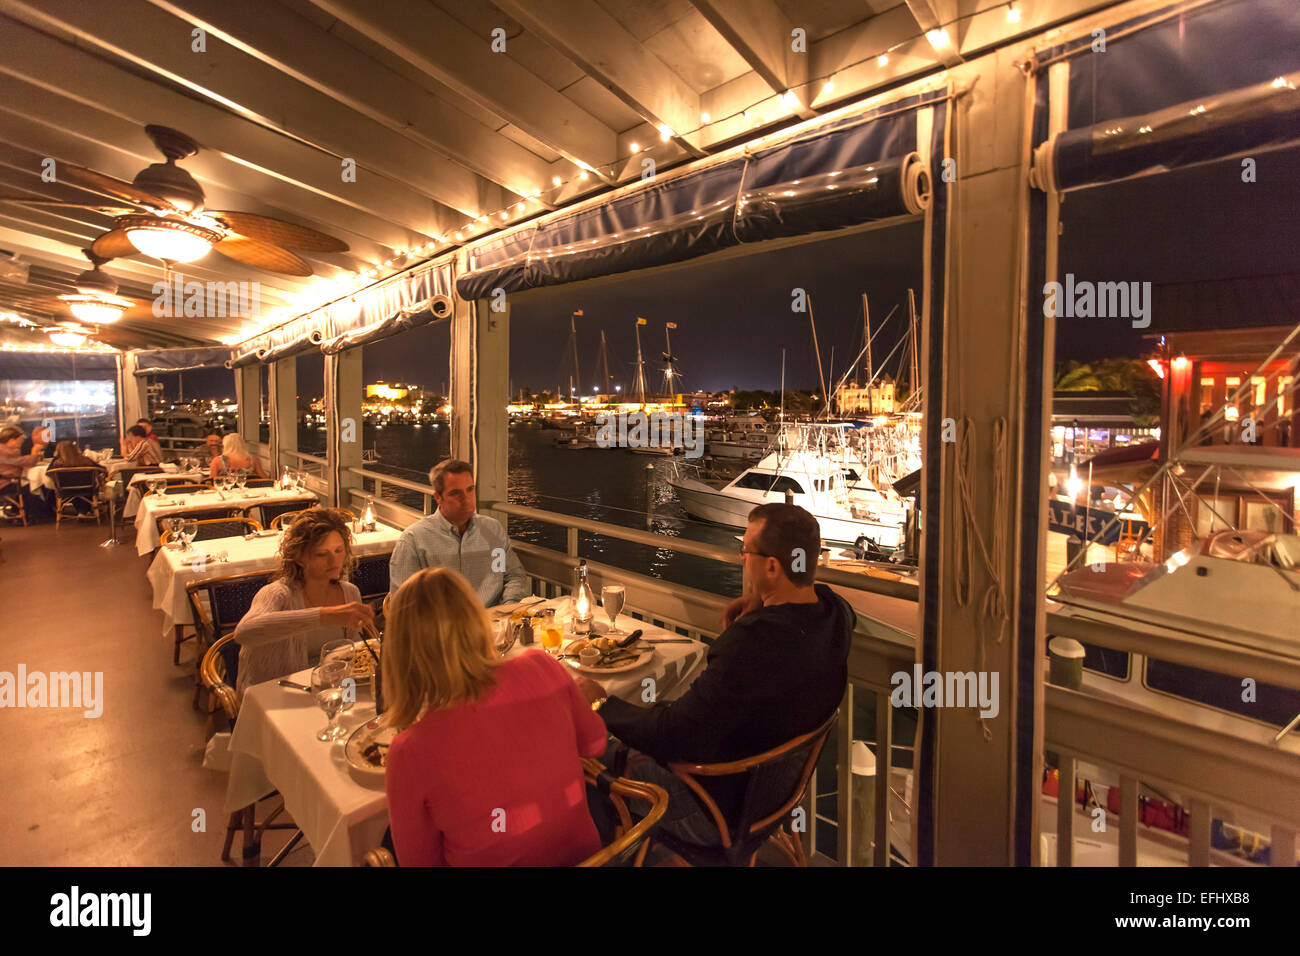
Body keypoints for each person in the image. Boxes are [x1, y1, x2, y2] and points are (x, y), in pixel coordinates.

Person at [574, 503, 854, 846]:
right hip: (774, 802)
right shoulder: (834, 617)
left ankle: (602, 851)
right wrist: (761, 598)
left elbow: (675, 736)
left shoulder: (753, 643)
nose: (741, 559)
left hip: (712, 809)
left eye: (745, 550)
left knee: (584, 748)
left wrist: (602, 703)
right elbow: (823, 599)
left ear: (771, 566)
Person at [382, 567, 608, 866]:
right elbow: (595, 744)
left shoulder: (408, 751)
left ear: (402, 651)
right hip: (589, 859)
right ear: (477, 620)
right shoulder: (542, 665)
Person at [231, 508, 374, 696]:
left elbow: (353, 657)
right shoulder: (278, 594)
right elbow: (244, 633)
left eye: (339, 550)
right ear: (299, 558)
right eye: (322, 554)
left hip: (329, 691)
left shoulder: (350, 592)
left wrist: (350, 699)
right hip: (276, 694)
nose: (334, 560)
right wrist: (324, 616)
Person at [388, 458, 527, 608]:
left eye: (470, 489)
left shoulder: (493, 531)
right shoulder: (414, 540)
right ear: (438, 498)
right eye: (455, 493)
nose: (466, 499)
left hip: (492, 622)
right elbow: (402, 603)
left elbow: (512, 576)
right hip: (440, 627)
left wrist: (509, 607)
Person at [47, 441, 106, 519]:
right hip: (88, 490)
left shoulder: (56, 463)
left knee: (68, 488)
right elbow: (103, 469)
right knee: (86, 487)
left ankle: (82, 511)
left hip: (65, 491)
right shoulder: (85, 460)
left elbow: (48, 473)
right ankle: (84, 511)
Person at [0, 425, 49, 520]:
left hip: (8, 481)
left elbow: (19, 462)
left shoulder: (8, 451)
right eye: (20, 440)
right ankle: (33, 515)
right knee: (32, 487)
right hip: (4, 483)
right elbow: (22, 462)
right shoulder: (4, 452)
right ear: (11, 440)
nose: (21, 443)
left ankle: (19, 511)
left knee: (31, 484)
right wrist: (34, 453)